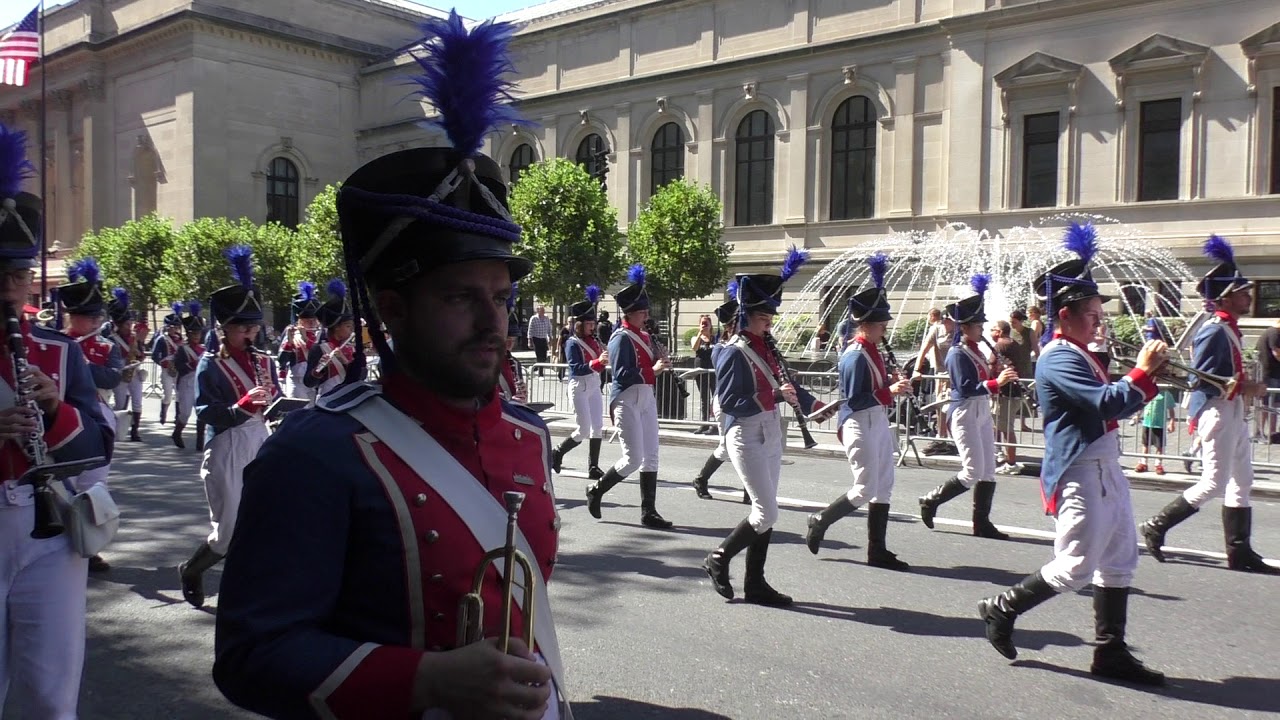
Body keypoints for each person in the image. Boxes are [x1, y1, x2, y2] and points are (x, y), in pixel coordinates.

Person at [213, 13, 570, 718]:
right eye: (461, 297)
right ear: (394, 309)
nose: (492, 320)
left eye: (501, 296)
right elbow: (252, 657)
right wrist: (424, 680)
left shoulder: (528, 435)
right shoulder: (315, 453)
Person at [977, 222, 1166, 685]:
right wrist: (1142, 373)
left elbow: (1116, 399)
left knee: (1120, 558)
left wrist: (1142, 376)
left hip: (1104, 464)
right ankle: (1002, 606)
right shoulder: (1058, 357)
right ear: (1064, 314)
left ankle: (1110, 652)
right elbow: (1106, 403)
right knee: (1077, 565)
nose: (1099, 322)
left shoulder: (1081, 353)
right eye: (1091, 314)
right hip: (1080, 469)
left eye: (1100, 314)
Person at [0, 126, 112, 717]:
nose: (8, 291)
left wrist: (55, 407)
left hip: (50, 528)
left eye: (17, 277)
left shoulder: (58, 351)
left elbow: (99, 445)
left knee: (49, 689)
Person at [1139, 234, 1277, 575]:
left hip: (1232, 410)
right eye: (1244, 292)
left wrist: (1244, 388)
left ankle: (1239, 551)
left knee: (1242, 479)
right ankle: (1156, 525)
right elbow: (1200, 378)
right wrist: (1247, 386)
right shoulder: (1214, 331)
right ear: (1228, 298)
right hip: (1217, 410)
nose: (1249, 296)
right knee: (1214, 482)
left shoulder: (1229, 328)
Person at [704, 249, 823, 606]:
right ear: (746, 316)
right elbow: (730, 401)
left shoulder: (765, 347)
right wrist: (773, 394)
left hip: (771, 429)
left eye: (770, 315)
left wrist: (815, 404)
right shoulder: (732, 351)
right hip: (745, 432)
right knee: (766, 511)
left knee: (767, 509)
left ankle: (755, 583)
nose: (769, 322)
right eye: (762, 316)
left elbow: (785, 384)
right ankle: (718, 558)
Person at [177, 246, 280, 609]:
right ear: (225, 329)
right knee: (228, 530)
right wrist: (241, 406)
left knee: (264, 521)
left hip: (259, 439)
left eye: (254, 327)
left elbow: (275, 398)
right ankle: (192, 569)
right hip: (225, 445)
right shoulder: (210, 364)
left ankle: (250, 592)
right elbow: (206, 410)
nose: (251, 334)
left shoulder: (263, 360)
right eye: (244, 328)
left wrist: (276, 403)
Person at [805, 253, 913, 570]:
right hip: (858, 423)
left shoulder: (872, 351)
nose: (885, 331)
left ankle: (876, 550)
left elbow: (875, 391)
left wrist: (892, 382)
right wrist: (888, 391)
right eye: (881, 325)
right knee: (865, 487)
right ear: (865, 325)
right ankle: (820, 519)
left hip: (877, 421)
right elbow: (855, 399)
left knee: (884, 486)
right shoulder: (854, 355)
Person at [917, 275, 1016, 541]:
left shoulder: (975, 350)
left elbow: (981, 380)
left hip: (980, 408)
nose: (982, 329)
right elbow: (966, 385)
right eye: (978, 325)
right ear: (967, 326)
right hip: (964, 411)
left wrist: (997, 370)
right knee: (972, 470)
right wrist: (997, 381)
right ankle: (931, 499)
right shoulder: (957, 352)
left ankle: (981, 523)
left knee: (988, 470)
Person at [586, 264, 673, 529]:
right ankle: (597, 489)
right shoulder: (620, 337)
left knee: (652, 455)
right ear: (631, 313)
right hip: (626, 398)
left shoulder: (645, 335)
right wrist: (653, 369)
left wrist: (661, 357)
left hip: (646, 396)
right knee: (633, 458)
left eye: (646, 311)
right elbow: (622, 373)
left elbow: (648, 365)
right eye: (642, 311)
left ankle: (649, 511)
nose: (646, 315)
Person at [58, 258, 124, 574]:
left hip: (97, 415)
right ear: (72, 316)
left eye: (98, 316)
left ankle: (90, 542)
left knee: (95, 482)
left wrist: (81, 364)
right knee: (62, 483)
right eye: (88, 317)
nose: (95, 322)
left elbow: (112, 378)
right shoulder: (56, 343)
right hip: (64, 418)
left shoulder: (104, 346)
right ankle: (60, 540)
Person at [552, 285, 608, 478]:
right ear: (580, 324)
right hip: (579, 385)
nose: (593, 327)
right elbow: (576, 367)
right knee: (583, 428)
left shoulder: (595, 341)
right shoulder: (572, 342)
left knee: (598, 426)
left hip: (593, 383)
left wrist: (604, 362)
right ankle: (558, 452)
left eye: (593, 324)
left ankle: (593, 466)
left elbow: (597, 367)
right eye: (589, 324)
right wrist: (597, 361)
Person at [691, 297, 739, 500]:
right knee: (730, 446)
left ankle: (702, 479)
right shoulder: (723, 347)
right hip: (728, 401)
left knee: (740, 446)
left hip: (742, 402)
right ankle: (702, 479)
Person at [303, 279, 356, 403]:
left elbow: (360, 377)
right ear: (337, 327)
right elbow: (308, 382)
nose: (351, 330)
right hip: (327, 402)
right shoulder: (319, 348)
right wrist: (318, 370)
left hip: (350, 400)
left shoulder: (353, 348)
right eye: (348, 326)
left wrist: (344, 360)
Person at [105, 288, 146, 441]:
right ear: (119, 325)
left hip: (134, 371)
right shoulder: (112, 338)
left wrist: (139, 349)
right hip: (121, 371)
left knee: (137, 401)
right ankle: (116, 427)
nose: (129, 327)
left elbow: (141, 354)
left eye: (130, 324)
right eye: (126, 324)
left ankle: (135, 431)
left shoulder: (134, 338)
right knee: (120, 402)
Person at [915, 307, 953, 453]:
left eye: (947, 320)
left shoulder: (960, 330)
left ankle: (955, 438)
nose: (945, 322)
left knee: (958, 408)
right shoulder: (937, 330)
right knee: (942, 407)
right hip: (942, 376)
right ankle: (941, 438)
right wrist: (917, 370)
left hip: (957, 375)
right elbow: (923, 350)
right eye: (943, 320)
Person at [277, 281, 324, 400]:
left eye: (314, 319)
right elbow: (282, 361)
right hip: (296, 381)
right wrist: (290, 342)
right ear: (300, 320)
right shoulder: (291, 333)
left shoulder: (322, 334)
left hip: (315, 381)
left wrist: (306, 339)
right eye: (307, 319)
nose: (312, 322)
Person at [171, 301, 206, 450]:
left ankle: (200, 441)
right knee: (184, 413)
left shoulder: (203, 349)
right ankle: (177, 432)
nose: (196, 336)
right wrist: (191, 365)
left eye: (198, 333)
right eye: (193, 333)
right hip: (186, 382)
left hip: (200, 383)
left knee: (201, 412)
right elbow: (178, 366)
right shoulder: (182, 349)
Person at [152, 302, 185, 425]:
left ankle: (177, 416)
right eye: (172, 327)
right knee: (167, 394)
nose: (174, 329)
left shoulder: (180, 340)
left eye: (176, 327)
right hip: (167, 370)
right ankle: (163, 413)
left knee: (179, 393)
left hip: (178, 370)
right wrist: (163, 363)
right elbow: (155, 355)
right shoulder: (162, 339)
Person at [1135, 387, 1175, 475]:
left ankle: (1158, 464)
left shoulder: (1166, 394)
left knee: (1159, 446)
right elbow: (1142, 406)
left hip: (1159, 423)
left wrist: (1172, 422)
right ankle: (1143, 462)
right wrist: (1137, 416)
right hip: (1147, 422)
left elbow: (1171, 409)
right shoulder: (1148, 391)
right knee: (1145, 444)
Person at [1257, 317, 1280, 443]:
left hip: (1273, 372)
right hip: (1270, 372)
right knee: (1267, 403)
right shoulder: (1274, 333)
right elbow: (1277, 353)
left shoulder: (1274, 332)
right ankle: (1261, 432)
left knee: (1274, 404)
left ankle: (1272, 433)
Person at [691, 313, 715, 433]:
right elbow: (694, 348)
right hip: (700, 371)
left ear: (711, 325)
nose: (704, 325)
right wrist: (700, 334)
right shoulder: (696, 338)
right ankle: (704, 423)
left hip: (713, 371)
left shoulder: (716, 339)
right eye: (702, 323)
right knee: (704, 397)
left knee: (715, 398)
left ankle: (714, 424)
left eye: (707, 323)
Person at [527, 304, 552, 376]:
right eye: (542, 310)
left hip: (543, 339)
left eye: (544, 310)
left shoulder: (546, 318)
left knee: (544, 356)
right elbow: (530, 330)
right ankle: (540, 374)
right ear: (538, 311)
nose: (543, 311)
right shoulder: (533, 318)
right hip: (536, 339)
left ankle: (535, 367)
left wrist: (550, 337)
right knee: (539, 356)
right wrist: (529, 340)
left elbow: (549, 328)